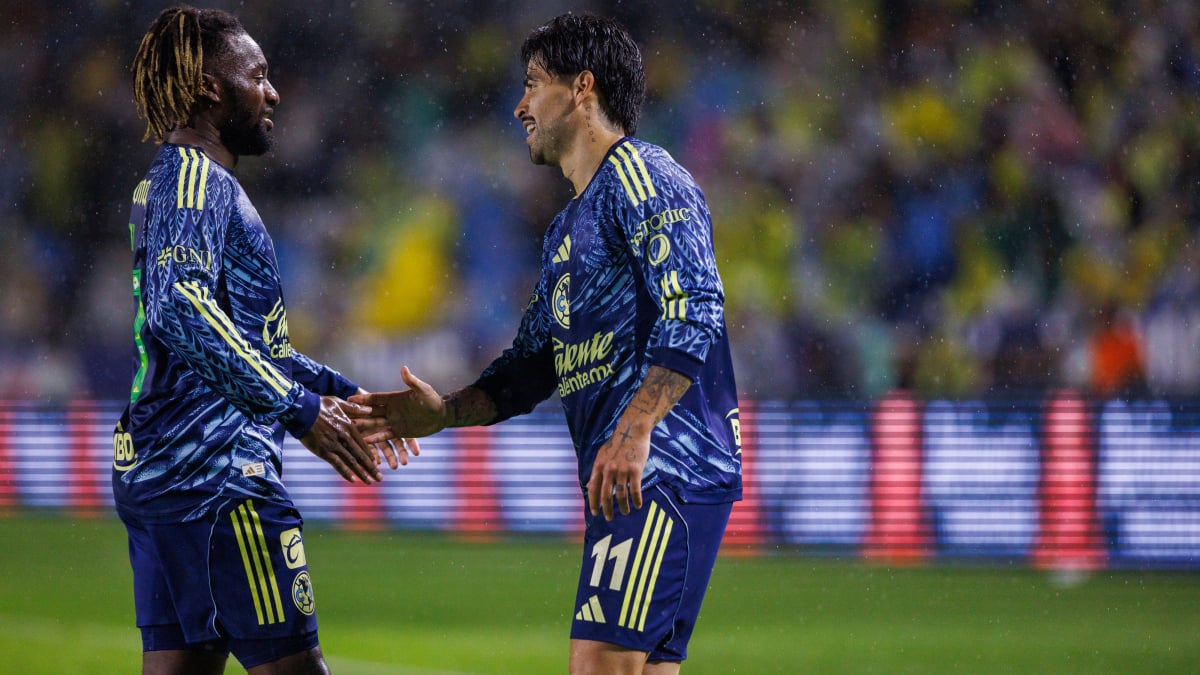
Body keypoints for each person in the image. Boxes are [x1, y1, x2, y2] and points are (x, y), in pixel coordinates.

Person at [353, 13, 741, 674]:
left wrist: (634, 431)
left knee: (597, 665)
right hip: (626, 479)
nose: (520, 105)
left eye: (533, 84)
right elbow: (532, 366)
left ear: (582, 88)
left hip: (663, 468)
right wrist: (445, 412)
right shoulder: (567, 227)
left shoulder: (644, 175)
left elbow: (695, 305)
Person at [112, 6, 416, 674]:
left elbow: (249, 343)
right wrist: (300, 411)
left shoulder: (178, 181)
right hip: (218, 478)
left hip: (167, 473)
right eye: (257, 76)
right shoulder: (194, 179)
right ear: (210, 88)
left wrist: (340, 394)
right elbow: (179, 308)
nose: (272, 93)